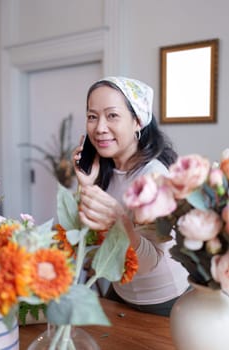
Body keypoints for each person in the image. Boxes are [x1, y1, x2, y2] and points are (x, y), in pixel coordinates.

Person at [73, 76, 189, 316]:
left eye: (112, 115)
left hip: (165, 300)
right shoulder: (104, 169)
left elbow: (148, 263)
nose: (100, 127)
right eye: (92, 116)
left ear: (138, 121)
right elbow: (88, 234)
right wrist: (86, 185)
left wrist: (120, 221)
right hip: (121, 292)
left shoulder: (154, 177)